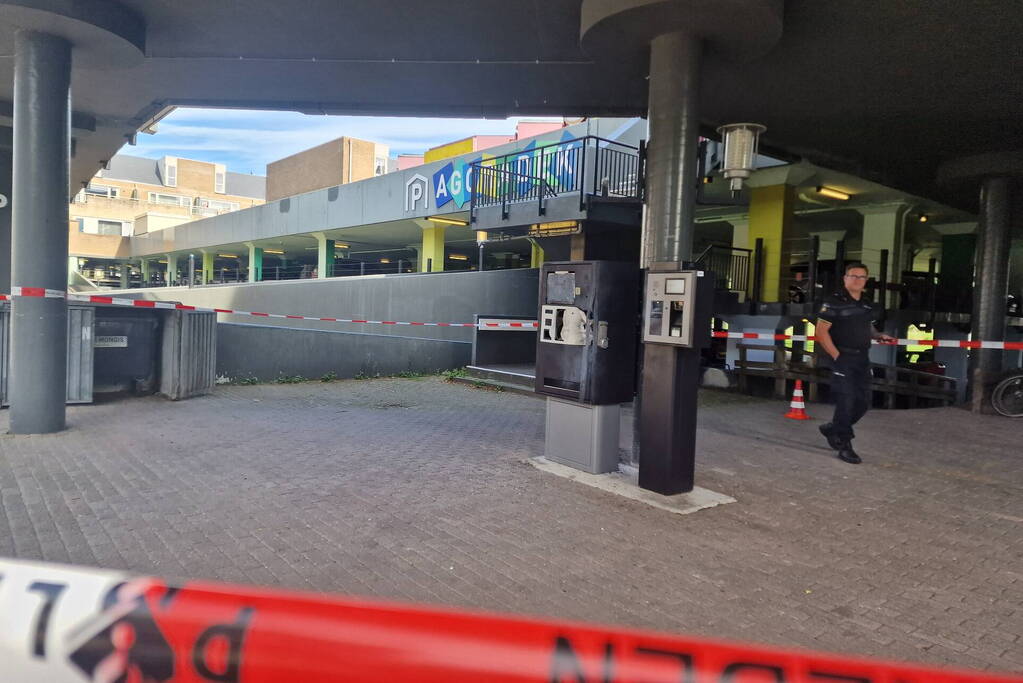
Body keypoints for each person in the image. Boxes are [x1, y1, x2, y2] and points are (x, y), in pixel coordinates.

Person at [815, 263, 896, 464]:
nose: (857, 280)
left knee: (863, 402)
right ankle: (844, 444)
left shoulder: (866, 304)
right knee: (846, 400)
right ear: (845, 278)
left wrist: (878, 335)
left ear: (866, 281)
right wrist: (837, 357)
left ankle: (833, 428)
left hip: (862, 358)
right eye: (853, 276)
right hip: (842, 357)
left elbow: (867, 326)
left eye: (861, 277)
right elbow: (821, 332)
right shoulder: (833, 302)